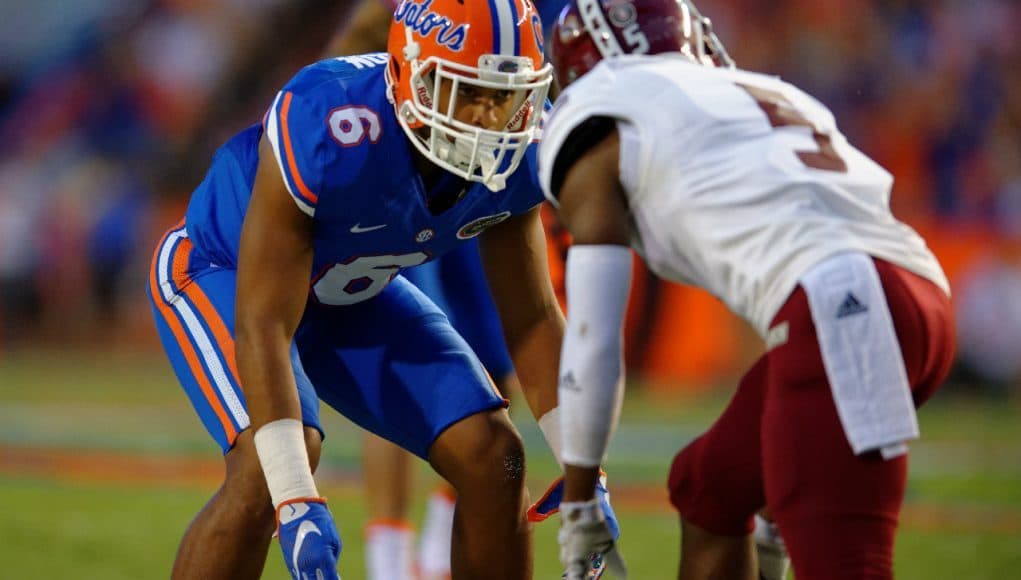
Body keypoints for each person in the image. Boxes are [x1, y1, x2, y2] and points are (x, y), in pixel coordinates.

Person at [147, 1, 576, 578]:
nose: (487, 118)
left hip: (349, 292)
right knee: (263, 473)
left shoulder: (524, 147)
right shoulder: (329, 123)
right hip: (224, 270)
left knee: (492, 456)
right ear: (413, 75)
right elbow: (264, 323)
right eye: (465, 91)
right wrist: (296, 498)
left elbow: (532, 318)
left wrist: (586, 467)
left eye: (502, 96)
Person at [539, 1, 956, 579]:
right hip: (917, 294)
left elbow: (593, 338)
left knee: (847, 565)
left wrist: (580, 500)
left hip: (844, 304)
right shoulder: (762, 90)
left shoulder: (598, 118)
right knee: (709, 488)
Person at [324, 2, 592, 579]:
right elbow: (365, 38)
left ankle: (439, 551)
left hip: (494, 172)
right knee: (400, 359)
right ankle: (389, 563)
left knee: (496, 368)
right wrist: (350, 152)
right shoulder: (451, 11)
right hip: (412, 175)